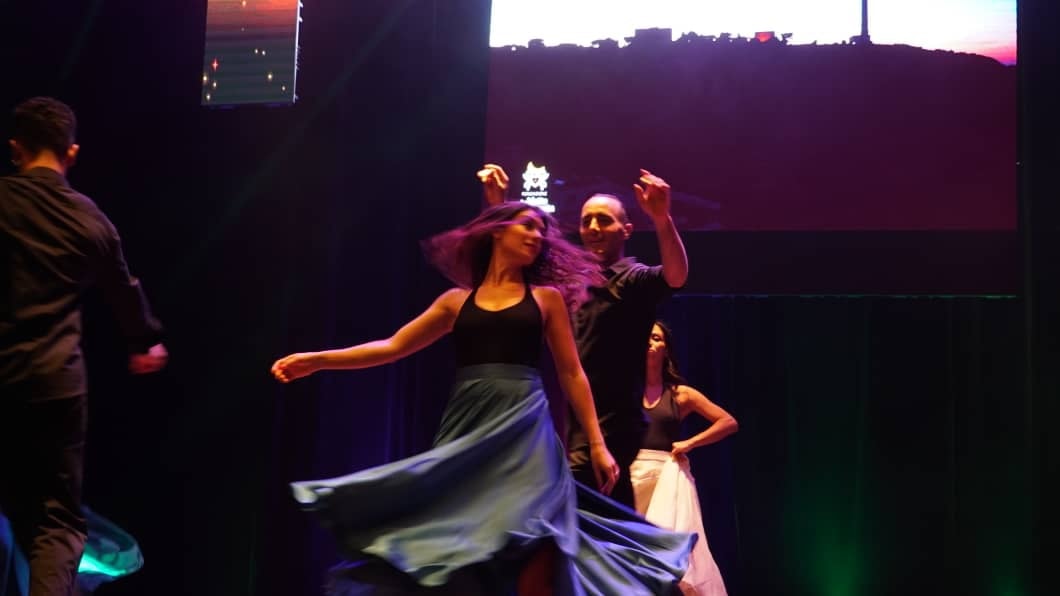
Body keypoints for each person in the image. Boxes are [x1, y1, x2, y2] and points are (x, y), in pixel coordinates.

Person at [271, 202, 694, 595]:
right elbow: (392, 347)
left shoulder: (545, 299)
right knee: (462, 536)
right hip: (470, 424)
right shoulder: (455, 302)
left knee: (540, 531)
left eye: (541, 230)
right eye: (527, 226)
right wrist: (318, 360)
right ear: (497, 232)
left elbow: (572, 374)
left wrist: (597, 443)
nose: (537, 236)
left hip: (526, 428)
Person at [0, 97, 167, 596]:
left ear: (16, 149)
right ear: (71, 153)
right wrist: (145, 342)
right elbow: (124, 291)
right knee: (54, 523)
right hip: (54, 388)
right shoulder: (89, 219)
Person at [479, 163, 689, 509]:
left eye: (604, 220)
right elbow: (518, 251)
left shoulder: (631, 278)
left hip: (610, 424)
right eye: (586, 220)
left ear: (626, 230)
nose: (593, 228)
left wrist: (661, 217)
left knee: (582, 511)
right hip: (563, 417)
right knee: (595, 517)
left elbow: (676, 276)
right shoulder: (567, 280)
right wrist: (499, 204)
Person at [630, 321, 738, 596]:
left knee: (669, 553)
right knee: (633, 555)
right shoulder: (627, 391)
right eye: (646, 337)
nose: (650, 342)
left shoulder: (680, 394)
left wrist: (690, 442)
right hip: (632, 477)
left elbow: (728, 422)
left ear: (666, 349)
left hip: (667, 477)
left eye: (657, 338)